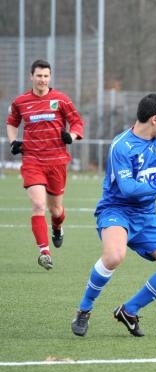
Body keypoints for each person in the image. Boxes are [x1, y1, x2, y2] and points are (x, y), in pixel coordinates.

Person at [70, 93, 156, 337]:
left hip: (147, 215)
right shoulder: (122, 147)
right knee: (114, 256)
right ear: (154, 119)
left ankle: (129, 311)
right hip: (116, 211)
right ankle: (84, 310)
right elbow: (129, 189)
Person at [6, 59, 84, 270]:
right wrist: (14, 142)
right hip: (32, 160)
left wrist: (73, 135)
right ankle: (44, 252)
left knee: (56, 210)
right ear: (31, 76)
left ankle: (57, 228)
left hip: (57, 162)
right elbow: (12, 123)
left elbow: (77, 121)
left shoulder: (60, 100)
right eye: (38, 76)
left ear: (50, 78)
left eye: (46, 76)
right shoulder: (20, 102)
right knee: (39, 205)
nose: (42, 80)